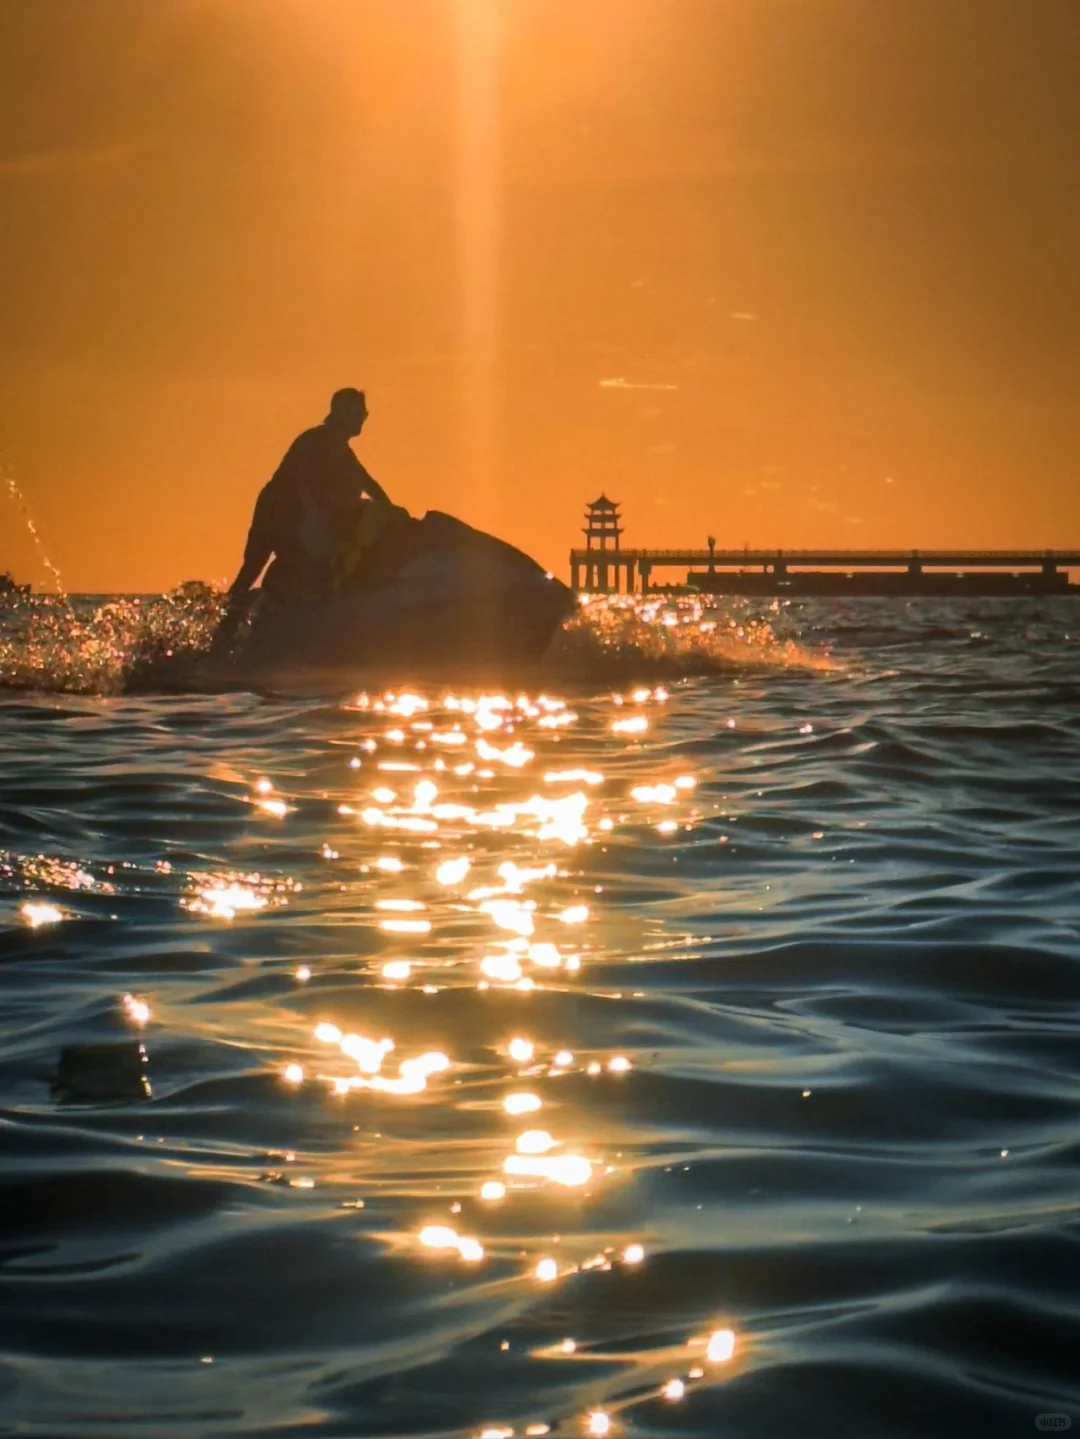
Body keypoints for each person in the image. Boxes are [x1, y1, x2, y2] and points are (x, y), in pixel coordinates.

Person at [226, 387, 394, 607]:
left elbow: (369, 485)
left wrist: (392, 514)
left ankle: (243, 619)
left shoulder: (339, 448)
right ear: (346, 414)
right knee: (261, 568)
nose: (364, 418)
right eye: (362, 413)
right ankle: (231, 622)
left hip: (289, 512)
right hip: (280, 510)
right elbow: (304, 482)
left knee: (268, 570)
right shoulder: (317, 441)